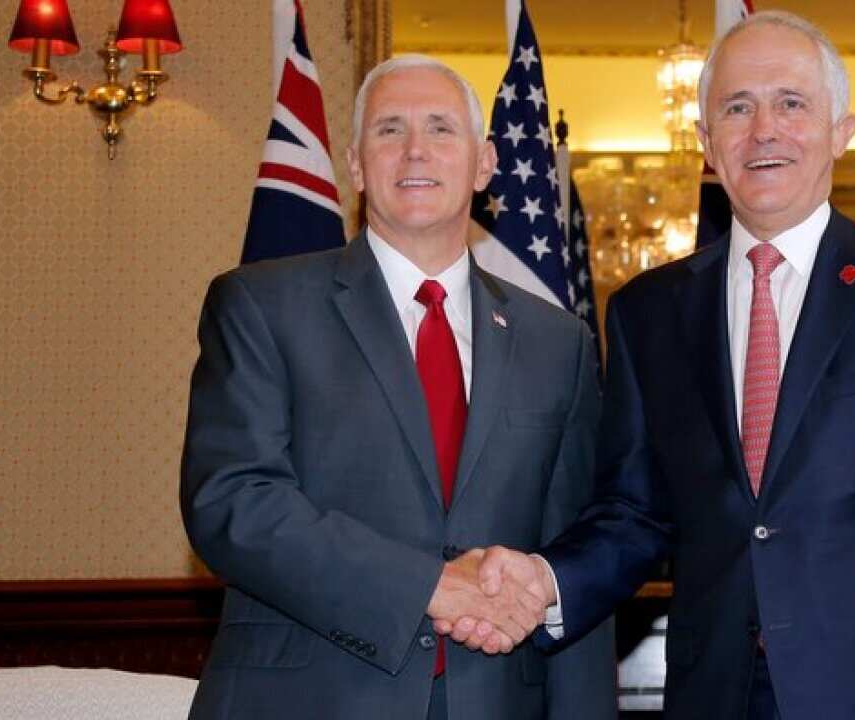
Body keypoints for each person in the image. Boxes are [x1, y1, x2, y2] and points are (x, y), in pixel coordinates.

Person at [454, 11, 855, 720]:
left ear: (840, 130)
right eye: (737, 107)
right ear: (708, 142)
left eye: (792, 103)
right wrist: (545, 579)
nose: (764, 129)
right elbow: (635, 513)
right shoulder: (648, 312)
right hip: (715, 693)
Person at [180, 55, 614, 720]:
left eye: (441, 129)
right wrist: (429, 587)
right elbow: (234, 503)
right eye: (389, 130)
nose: (416, 149)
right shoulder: (261, 305)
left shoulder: (560, 343)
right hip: (307, 700)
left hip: (497, 700)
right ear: (355, 165)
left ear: (484, 164)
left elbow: (573, 548)